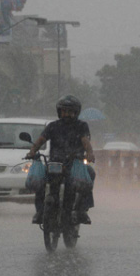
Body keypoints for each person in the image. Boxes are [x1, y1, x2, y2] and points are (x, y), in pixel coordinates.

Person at [26, 95, 96, 225]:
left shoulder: (81, 126)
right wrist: (32, 151)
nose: (66, 114)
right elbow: (40, 140)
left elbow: (85, 141)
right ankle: (40, 211)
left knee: (90, 173)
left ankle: (81, 210)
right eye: (64, 111)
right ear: (59, 112)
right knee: (40, 182)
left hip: (74, 164)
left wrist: (90, 153)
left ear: (76, 112)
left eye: (70, 111)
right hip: (54, 164)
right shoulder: (53, 126)